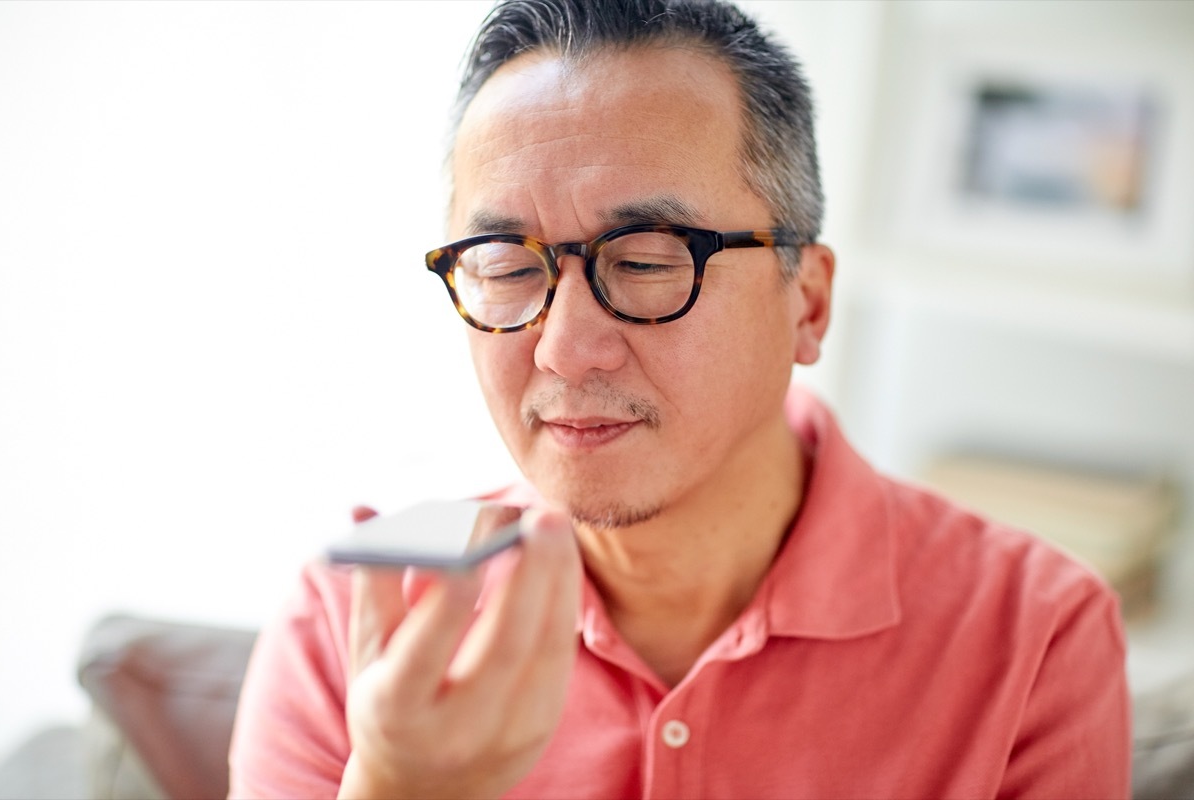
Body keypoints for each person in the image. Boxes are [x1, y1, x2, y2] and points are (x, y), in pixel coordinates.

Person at [228, 1, 1131, 797]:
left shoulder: (1034, 635)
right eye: (504, 267)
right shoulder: (353, 619)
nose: (565, 347)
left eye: (646, 260)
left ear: (806, 303)